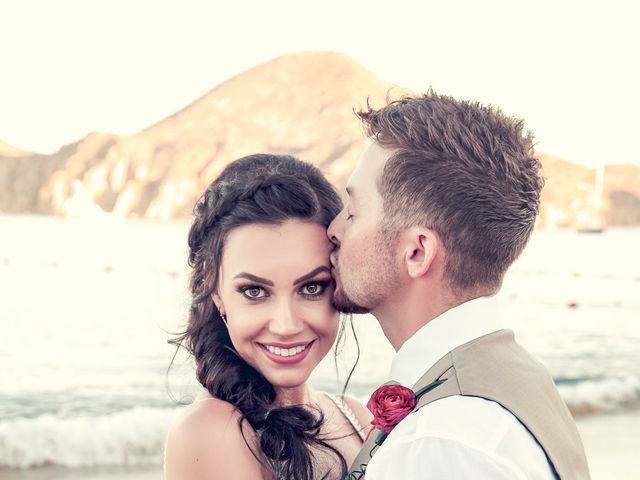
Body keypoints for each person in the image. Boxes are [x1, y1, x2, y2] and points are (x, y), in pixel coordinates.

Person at [328, 92, 590, 479]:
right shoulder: (517, 379)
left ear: (417, 253)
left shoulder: (439, 443)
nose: (333, 230)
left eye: (353, 213)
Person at [164, 154, 372, 480]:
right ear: (215, 290)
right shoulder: (211, 432)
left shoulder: (356, 417)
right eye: (255, 292)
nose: (286, 325)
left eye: (312, 287)